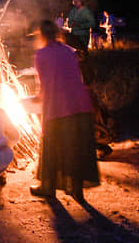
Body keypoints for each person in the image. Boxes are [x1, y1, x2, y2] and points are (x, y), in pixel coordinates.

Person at [30, 20, 100, 201]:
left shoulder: (41, 54)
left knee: (52, 146)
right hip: (81, 105)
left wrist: (37, 99)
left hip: (58, 107)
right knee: (75, 146)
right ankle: (76, 190)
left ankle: (48, 187)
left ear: (42, 35)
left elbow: (44, 85)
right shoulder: (69, 51)